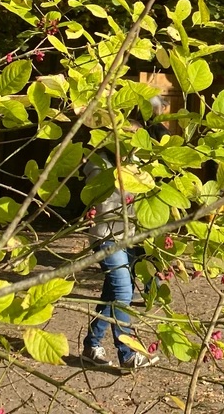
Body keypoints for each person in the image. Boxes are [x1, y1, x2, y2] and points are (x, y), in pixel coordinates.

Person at [81, 144, 160, 370]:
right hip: (106, 237)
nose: (133, 142)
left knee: (112, 295)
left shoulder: (134, 161)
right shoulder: (99, 164)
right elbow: (105, 195)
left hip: (127, 237)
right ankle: (127, 355)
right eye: (127, 136)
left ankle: (91, 346)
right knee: (124, 292)